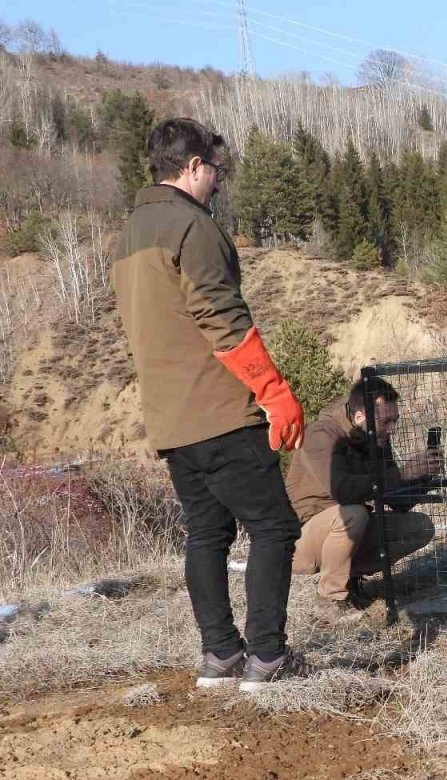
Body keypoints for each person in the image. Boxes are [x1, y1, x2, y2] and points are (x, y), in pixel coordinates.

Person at [112, 117, 308, 691]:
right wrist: (273, 390)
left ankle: (220, 655)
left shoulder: (128, 234)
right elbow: (223, 322)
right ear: (193, 166)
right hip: (221, 409)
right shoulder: (190, 227)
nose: (219, 182)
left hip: (170, 419)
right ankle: (268, 657)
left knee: (207, 535)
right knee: (274, 528)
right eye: (216, 171)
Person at [287, 377, 442, 620]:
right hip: (299, 539)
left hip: (348, 524)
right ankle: (330, 599)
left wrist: (422, 476)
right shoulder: (321, 434)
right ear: (360, 416)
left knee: (420, 526)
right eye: (385, 421)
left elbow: (398, 501)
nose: (391, 428)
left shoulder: (376, 437)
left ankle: (351, 579)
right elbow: (344, 491)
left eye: (394, 421)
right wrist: (401, 473)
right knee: (354, 514)